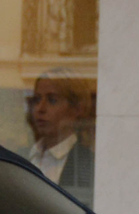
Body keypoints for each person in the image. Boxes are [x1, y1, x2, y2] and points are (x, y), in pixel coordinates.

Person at [26, 72, 94, 201]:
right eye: (37, 99)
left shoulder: (88, 164)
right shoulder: (22, 155)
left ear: (77, 108)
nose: (40, 108)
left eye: (52, 100)